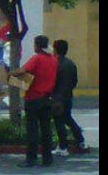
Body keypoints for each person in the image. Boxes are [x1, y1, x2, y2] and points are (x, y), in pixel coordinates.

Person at [9, 35, 58, 167]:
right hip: (47, 98)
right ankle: (47, 158)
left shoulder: (37, 58)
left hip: (34, 98)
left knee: (32, 130)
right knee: (46, 129)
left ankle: (31, 158)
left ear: (37, 45)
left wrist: (11, 73)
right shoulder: (53, 60)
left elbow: (24, 70)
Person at [51, 39, 87, 156]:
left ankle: (63, 147)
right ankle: (80, 140)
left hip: (57, 97)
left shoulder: (55, 63)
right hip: (68, 96)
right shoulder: (71, 64)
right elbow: (75, 81)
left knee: (59, 122)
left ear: (55, 49)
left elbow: (52, 81)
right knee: (68, 119)